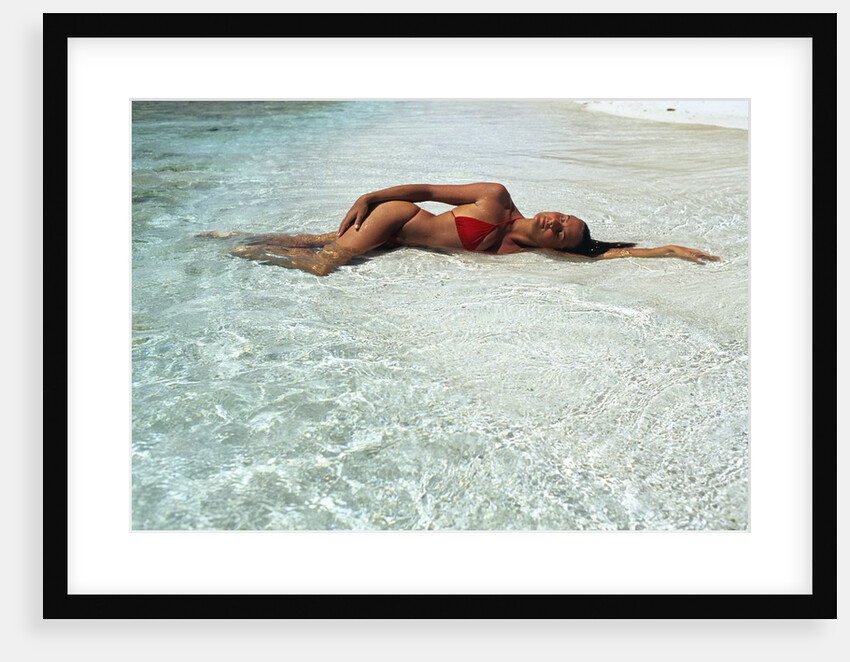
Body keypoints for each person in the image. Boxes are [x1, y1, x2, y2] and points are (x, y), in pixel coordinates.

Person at [199, 182, 720, 276]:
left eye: (561, 231)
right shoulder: (495, 197)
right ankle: (239, 257)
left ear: (556, 247)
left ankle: (230, 240)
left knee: (318, 243)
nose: (556, 222)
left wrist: (668, 250)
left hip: (398, 239)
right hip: (397, 217)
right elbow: (423, 190)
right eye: (563, 215)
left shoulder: (532, 250)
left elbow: (606, 255)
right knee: (325, 265)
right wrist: (371, 197)